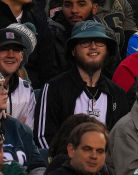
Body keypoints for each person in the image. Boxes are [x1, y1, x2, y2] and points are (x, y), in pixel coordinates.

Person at [35, 20, 128, 150]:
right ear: (73, 51)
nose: (93, 46)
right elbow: (43, 137)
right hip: (64, 166)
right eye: (85, 42)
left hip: (107, 167)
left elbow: (122, 140)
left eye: (100, 42)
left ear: (107, 50)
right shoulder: (54, 87)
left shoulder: (117, 94)